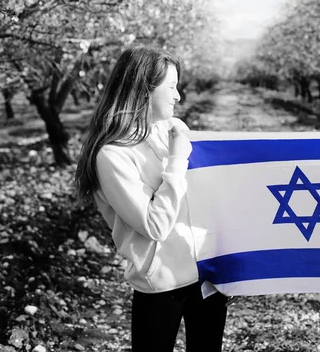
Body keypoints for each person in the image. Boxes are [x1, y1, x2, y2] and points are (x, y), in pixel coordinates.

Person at [75, 46, 228, 352]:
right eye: (171, 87)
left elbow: (201, 199)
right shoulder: (113, 155)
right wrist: (176, 162)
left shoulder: (173, 130)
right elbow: (154, 226)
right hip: (161, 285)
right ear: (143, 90)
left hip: (206, 276)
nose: (178, 96)